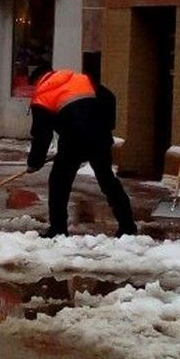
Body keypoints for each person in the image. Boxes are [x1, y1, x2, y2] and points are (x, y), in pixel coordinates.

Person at [27, 61, 137, 239]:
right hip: (99, 137)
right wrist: (107, 127)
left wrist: (34, 162)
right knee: (107, 180)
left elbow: (41, 135)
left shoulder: (42, 94)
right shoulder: (79, 79)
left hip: (73, 140)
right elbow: (109, 97)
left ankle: (58, 229)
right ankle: (128, 225)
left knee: (59, 182)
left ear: (37, 80)